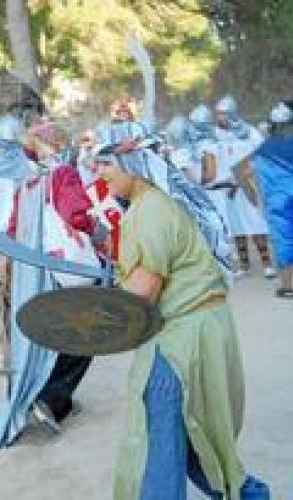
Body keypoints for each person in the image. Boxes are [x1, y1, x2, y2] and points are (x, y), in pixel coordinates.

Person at [96, 155, 269, 499]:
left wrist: (93, 312)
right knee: (194, 436)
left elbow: (142, 294)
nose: (101, 173)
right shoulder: (162, 202)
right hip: (201, 326)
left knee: (156, 443)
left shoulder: (149, 210)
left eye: (107, 163)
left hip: (180, 339)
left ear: (134, 164)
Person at [212, 95, 275, 278]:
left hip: (248, 185)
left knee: (255, 222)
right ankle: (244, 264)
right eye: (218, 114)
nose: (219, 117)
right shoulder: (215, 134)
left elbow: (261, 154)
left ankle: (267, 264)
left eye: (223, 114)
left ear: (232, 113)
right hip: (227, 187)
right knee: (235, 226)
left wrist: (243, 176)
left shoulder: (249, 132)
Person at [255, 101, 293, 297]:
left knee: (284, 241)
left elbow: (258, 180)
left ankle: (288, 285)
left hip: (278, 203)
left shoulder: (263, 149)